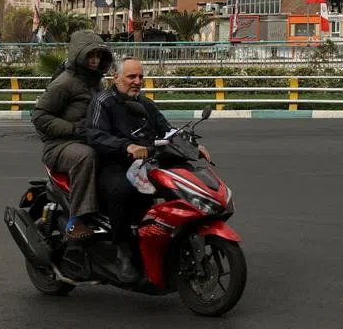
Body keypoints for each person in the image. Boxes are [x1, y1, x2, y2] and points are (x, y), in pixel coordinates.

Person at [85, 57, 212, 241]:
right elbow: (95, 135)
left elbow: (167, 130)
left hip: (147, 163)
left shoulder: (146, 104)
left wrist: (192, 146)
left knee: (181, 180)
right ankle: (122, 250)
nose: (137, 82)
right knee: (121, 190)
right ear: (116, 78)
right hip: (114, 163)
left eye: (140, 77)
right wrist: (127, 146)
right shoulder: (103, 102)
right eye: (131, 77)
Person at [30, 29, 113, 240]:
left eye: (98, 56)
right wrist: (74, 130)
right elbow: (40, 116)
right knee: (86, 156)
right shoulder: (64, 83)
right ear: (79, 55)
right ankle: (75, 220)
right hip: (59, 146)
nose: (94, 61)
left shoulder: (95, 82)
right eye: (90, 56)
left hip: (86, 140)